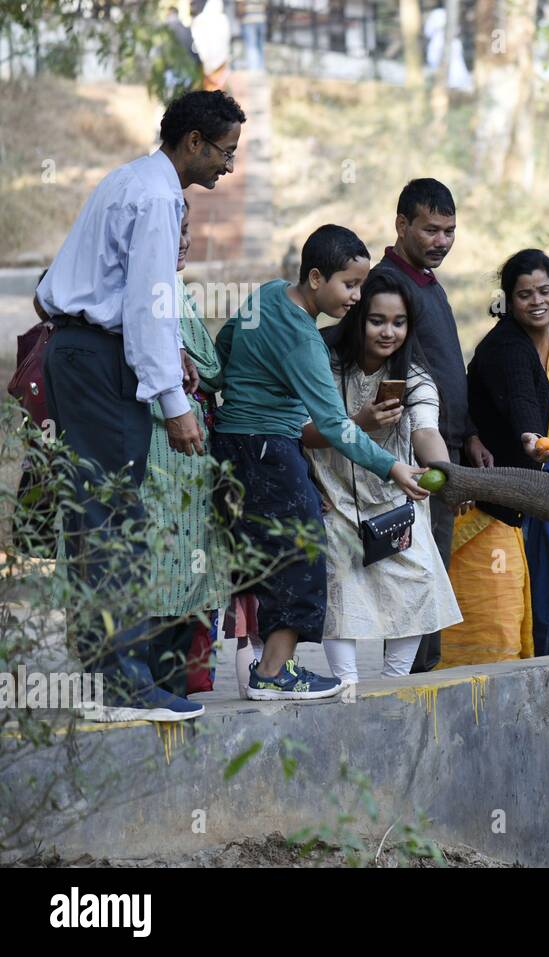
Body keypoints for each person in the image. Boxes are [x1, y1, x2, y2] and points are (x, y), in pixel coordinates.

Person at [36, 89, 244, 722]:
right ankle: (118, 685)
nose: (228, 168)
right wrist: (176, 403)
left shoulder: (130, 179)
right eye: (225, 153)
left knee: (102, 513)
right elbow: (150, 309)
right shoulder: (157, 196)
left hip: (82, 352)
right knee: (113, 516)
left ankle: (110, 679)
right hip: (99, 357)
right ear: (193, 143)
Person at [213, 225, 429, 700]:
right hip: (269, 447)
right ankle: (273, 672)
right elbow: (335, 426)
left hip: (235, 442)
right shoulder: (306, 342)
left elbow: (225, 345)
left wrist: (229, 389)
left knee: (269, 555)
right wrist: (391, 467)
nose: (357, 296)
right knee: (302, 557)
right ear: (316, 277)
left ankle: (268, 668)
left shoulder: (268, 295)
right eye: (349, 285)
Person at [304, 272, 462, 685]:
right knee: (342, 590)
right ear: (357, 318)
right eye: (377, 320)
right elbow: (300, 429)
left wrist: (445, 473)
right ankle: (347, 686)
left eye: (399, 322)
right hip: (333, 494)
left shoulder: (416, 376)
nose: (388, 332)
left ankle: (393, 684)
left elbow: (427, 431)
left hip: (398, 494)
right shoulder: (322, 362)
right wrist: (357, 421)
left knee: (420, 580)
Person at [372, 178, 492, 673]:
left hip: (449, 448)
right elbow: (392, 377)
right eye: (430, 229)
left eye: (450, 231)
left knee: (435, 570)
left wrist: (470, 437)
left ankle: (426, 674)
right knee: (417, 572)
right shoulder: (388, 285)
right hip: (418, 459)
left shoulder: (425, 280)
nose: (441, 241)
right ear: (401, 225)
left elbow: (445, 369)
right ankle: (409, 685)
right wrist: (433, 459)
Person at [441, 249, 549, 665]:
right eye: (524, 295)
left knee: (539, 602)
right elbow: (522, 398)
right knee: (497, 610)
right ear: (508, 300)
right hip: (493, 500)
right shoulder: (508, 347)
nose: (537, 302)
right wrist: (532, 439)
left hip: (532, 490)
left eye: (545, 291)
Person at [142, 198, 230, 696]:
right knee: (169, 571)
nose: (182, 240)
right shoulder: (158, 293)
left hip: (183, 459)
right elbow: (212, 367)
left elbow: (204, 367)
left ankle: (174, 682)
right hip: (163, 454)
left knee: (178, 569)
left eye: (187, 228)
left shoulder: (175, 290)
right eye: (172, 231)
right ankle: (163, 685)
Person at [191, 0, 233, 92]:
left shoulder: (199, 20)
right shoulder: (223, 20)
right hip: (219, 63)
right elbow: (227, 41)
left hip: (205, 62)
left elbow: (197, 42)